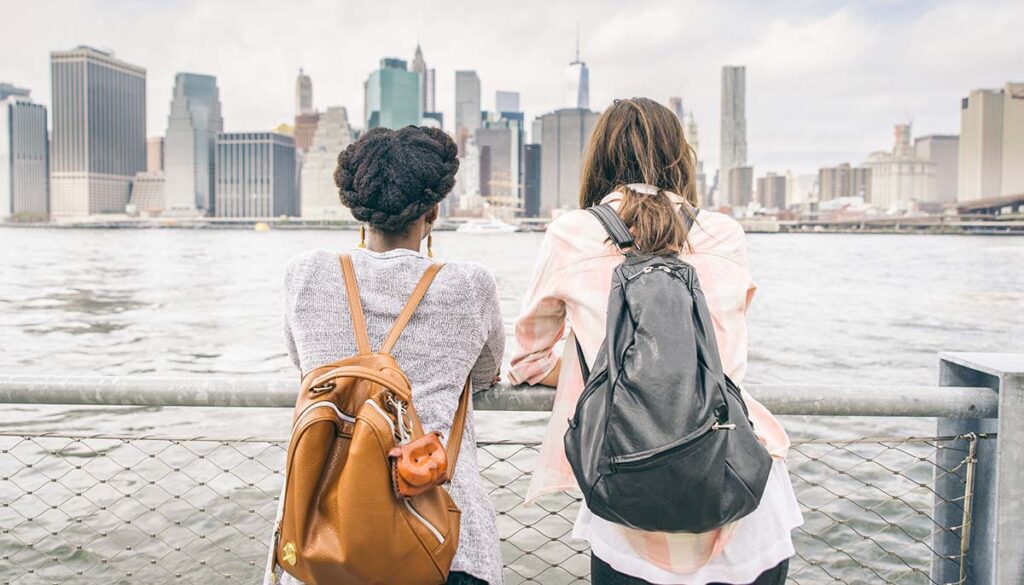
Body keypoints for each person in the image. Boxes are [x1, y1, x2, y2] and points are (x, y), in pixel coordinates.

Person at [508, 98, 802, 585]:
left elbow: (527, 360)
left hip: (629, 492)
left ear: (599, 159)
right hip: (743, 488)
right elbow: (724, 356)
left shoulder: (572, 234)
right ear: (679, 157)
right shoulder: (724, 232)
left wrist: (610, 368)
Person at [265, 126, 504, 585]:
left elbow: (305, 368)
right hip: (444, 539)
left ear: (359, 210)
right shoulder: (471, 285)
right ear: (433, 210)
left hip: (324, 540)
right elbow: (487, 371)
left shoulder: (305, 275)